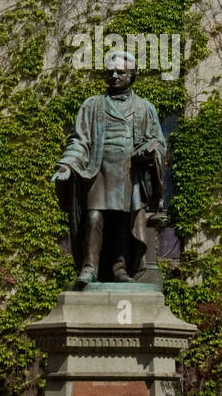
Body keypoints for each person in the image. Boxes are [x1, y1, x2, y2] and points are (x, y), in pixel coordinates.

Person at [52, 50, 166, 285]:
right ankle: (89, 268)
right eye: (110, 72)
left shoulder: (145, 108)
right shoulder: (92, 106)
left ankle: (119, 268)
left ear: (132, 75)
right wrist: (66, 164)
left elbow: (159, 143)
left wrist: (149, 151)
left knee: (122, 222)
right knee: (94, 217)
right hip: (97, 171)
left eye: (120, 72)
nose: (114, 75)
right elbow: (79, 140)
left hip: (128, 174)